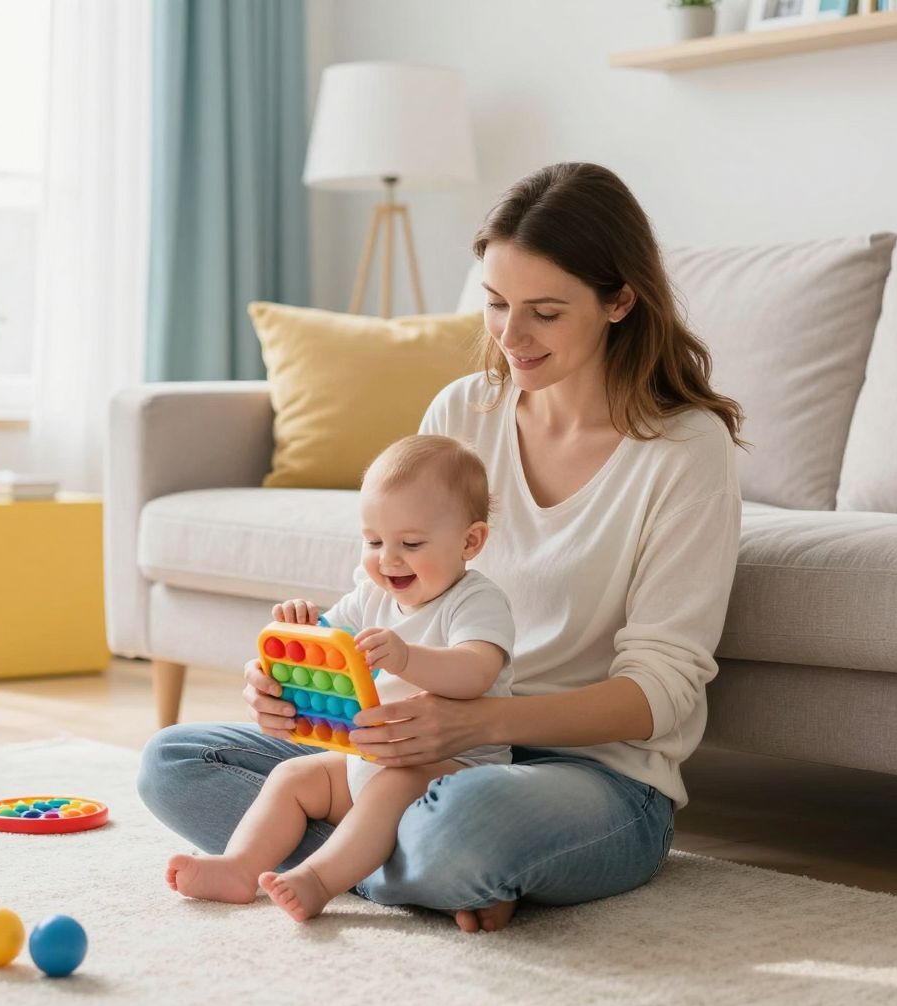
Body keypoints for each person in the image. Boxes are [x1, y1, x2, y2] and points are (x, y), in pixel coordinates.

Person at [138, 161, 745, 933]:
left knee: (466, 826)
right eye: (495, 304)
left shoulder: (684, 448)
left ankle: (400, 863)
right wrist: (306, 694)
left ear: (619, 300)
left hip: (593, 777)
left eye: (545, 313)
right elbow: (391, 594)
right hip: (413, 758)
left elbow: (661, 693)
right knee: (175, 763)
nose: (510, 337)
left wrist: (480, 723)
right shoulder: (464, 410)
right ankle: (432, 876)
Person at [164, 434, 516, 921]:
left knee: (392, 788)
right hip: (367, 758)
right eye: (374, 541)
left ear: (470, 541)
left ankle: (320, 878)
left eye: (411, 544)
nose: (387, 560)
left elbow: (477, 671)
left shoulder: (475, 599)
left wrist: (406, 658)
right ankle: (239, 868)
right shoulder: (370, 596)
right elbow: (327, 653)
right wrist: (301, 632)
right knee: (292, 776)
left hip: (453, 770)